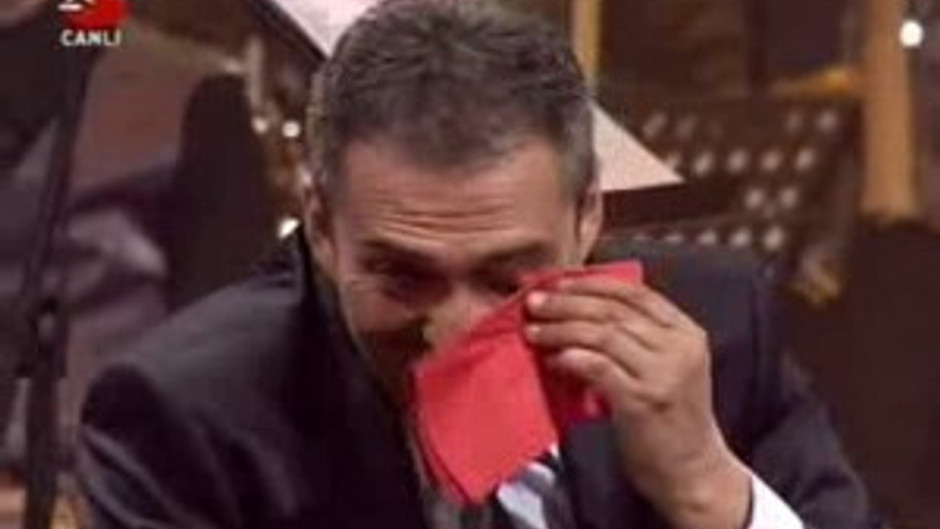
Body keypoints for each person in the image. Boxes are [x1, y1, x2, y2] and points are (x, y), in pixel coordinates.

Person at [76, 2, 880, 528]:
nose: (458, 330)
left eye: (505, 277)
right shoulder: (187, 414)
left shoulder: (718, 330)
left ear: (588, 217)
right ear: (321, 226)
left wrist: (707, 486)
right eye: (404, 275)